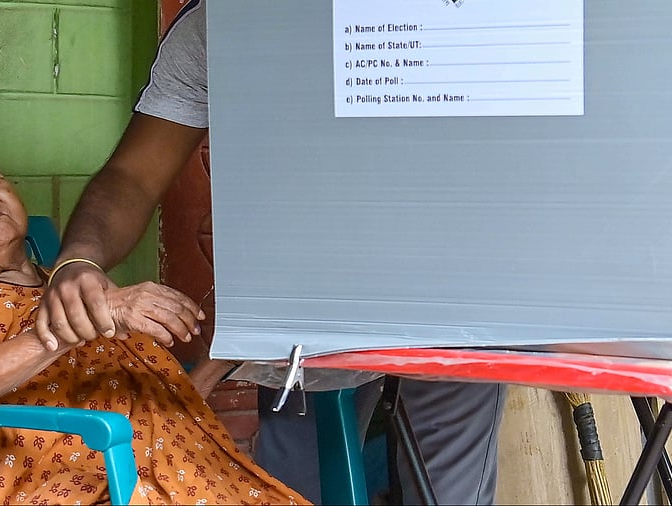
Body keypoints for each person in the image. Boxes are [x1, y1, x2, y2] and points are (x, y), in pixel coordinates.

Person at [36, 1, 507, 504]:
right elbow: (133, 175)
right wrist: (80, 259)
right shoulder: (215, 28)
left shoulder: (456, 18)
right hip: (304, 300)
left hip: (457, 285)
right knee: (299, 488)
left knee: (447, 488)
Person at [0, 131, 310, 506]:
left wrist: (222, 357)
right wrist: (70, 326)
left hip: (160, 473)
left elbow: (148, 419)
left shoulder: (60, 281)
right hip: (63, 488)